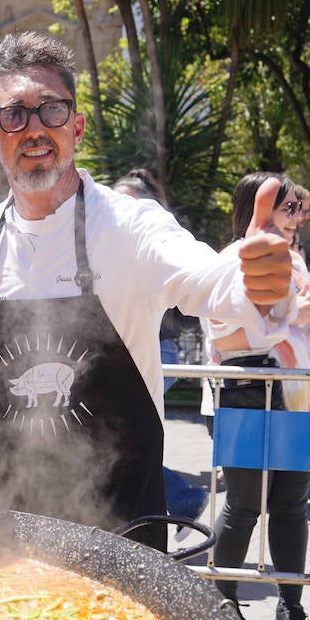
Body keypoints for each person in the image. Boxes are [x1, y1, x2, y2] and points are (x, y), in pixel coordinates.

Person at [0, 32, 294, 551]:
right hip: (16, 528)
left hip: (127, 527)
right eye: (15, 115)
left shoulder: (131, 227)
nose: (34, 128)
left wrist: (255, 283)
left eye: (51, 110)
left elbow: (209, 280)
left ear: (75, 127)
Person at [206, 175, 310, 620]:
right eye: (288, 206)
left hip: (300, 394)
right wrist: (289, 317)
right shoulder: (231, 260)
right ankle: (222, 605)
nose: (296, 215)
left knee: (290, 505)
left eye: (299, 207)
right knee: (244, 503)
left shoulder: (297, 261)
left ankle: (292, 605)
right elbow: (225, 339)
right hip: (248, 389)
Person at [110, 167, 208, 522]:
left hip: (156, 349)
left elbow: (202, 284)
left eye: (126, 202)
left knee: (123, 441)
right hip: (124, 352)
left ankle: (183, 501)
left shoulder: (157, 243)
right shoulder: (108, 244)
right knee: (121, 439)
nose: (116, 209)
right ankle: (182, 502)